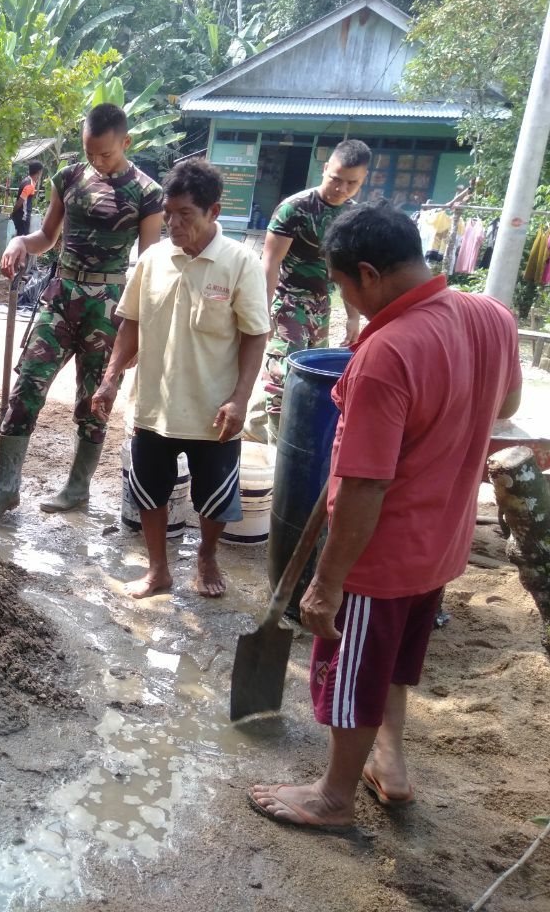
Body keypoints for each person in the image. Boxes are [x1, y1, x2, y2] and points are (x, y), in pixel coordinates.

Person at [249, 204, 520, 831]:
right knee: (390, 659)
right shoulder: (491, 315)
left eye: (343, 286)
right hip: (442, 541)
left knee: (351, 673)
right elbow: (505, 403)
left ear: (368, 273)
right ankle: (389, 763)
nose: (347, 300)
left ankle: (334, 797)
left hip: (381, 556)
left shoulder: (386, 353)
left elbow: (365, 485)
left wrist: (328, 583)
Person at [0, 103, 163, 527]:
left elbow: (150, 265)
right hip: (61, 295)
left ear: (126, 142)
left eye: (106, 154)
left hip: (110, 306)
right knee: (26, 387)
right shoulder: (69, 177)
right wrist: (20, 242)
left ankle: (77, 488)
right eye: (90, 152)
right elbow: (46, 236)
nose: (97, 161)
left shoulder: (148, 192)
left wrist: (140, 334)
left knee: (93, 402)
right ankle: (6, 488)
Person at [91, 159, 270, 597]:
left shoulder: (240, 263)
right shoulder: (152, 260)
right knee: (150, 489)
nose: (173, 223)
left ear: (214, 211)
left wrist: (240, 398)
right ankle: (158, 570)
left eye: (185, 214)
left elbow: (255, 335)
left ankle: (206, 558)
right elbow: (131, 323)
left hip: (214, 410)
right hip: (154, 404)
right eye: (168, 213)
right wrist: (111, 378)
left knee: (214, 495)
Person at [249, 139, 372, 442]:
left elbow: (348, 271)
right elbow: (270, 263)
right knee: (282, 378)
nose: (341, 188)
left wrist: (353, 317)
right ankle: (279, 449)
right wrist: (263, 312)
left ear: (363, 179)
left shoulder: (353, 216)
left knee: (311, 374)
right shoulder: (296, 208)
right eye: (336, 179)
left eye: (352, 183)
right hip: (288, 302)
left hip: (322, 306)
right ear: (325, 168)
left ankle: (256, 427)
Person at [9, 160, 44, 238]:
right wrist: (13, 213)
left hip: (21, 217)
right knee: (22, 240)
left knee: (21, 239)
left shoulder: (27, 181)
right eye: (41, 172)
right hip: (23, 217)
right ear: (39, 172)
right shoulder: (29, 185)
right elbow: (20, 202)